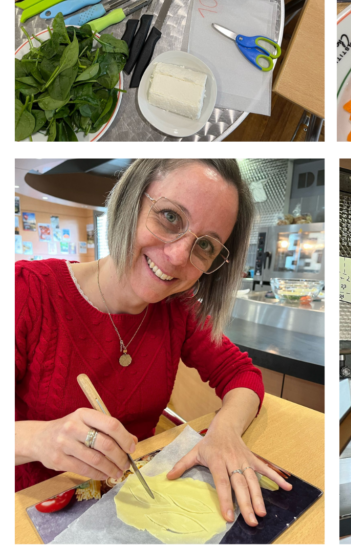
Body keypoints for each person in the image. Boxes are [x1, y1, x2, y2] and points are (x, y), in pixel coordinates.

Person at [15, 159, 292, 527]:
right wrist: (38, 439)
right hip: (27, 510)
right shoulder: (25, 292)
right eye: (170, 217)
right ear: (131, 200)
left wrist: (224, 434)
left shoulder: (179, 309)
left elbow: (241, 374)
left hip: (131, 501)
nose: (178, 257)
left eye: (205, 245)